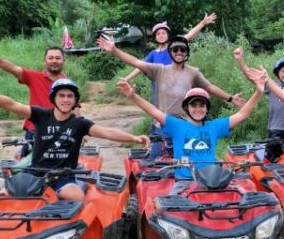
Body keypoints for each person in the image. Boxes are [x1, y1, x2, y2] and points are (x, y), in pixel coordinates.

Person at [0, 78, 149, 201]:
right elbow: (12, 104)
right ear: (53, 98)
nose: (66, 99)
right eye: (61, 95)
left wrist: (134, 138)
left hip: (62, 177)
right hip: (34, 174)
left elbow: (107, 132)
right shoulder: (40, 115)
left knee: (77, 197)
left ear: (75, 100)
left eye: (70, 96)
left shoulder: (80, 124)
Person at [97, 34, 247, 158]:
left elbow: (209, 87)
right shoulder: (159, 70)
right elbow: (136, 62)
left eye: (183, 49)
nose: (179, 52)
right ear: (170, 52)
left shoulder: (193, 72)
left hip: (185, 126)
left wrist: (230, 98)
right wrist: (114, 50)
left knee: (187, 163)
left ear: (187, 53)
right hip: (161, 126)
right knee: (157, 164)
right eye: (175, 49)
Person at [116, 68, 267, 182]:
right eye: (193, 105)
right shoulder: (177, 126)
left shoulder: (214, 127)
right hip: (184, 181)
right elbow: (153, 110)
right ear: (187, 108)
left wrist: (258, 92)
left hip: (210, 180)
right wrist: (133, 96)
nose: (198, 109)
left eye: (202, 105)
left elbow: (242, 114)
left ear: (207, 108)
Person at [0, 36, 66, 157]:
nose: (54, 61)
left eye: (58, 58)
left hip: (60, 132)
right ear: (45, 60)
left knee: (59, 169)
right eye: (50, 58)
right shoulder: (34, 77)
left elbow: (75, 109)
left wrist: (80, 132)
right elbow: (12, 68)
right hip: (34, 132)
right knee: (27, 168)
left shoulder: (68, 84)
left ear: (63, 61)